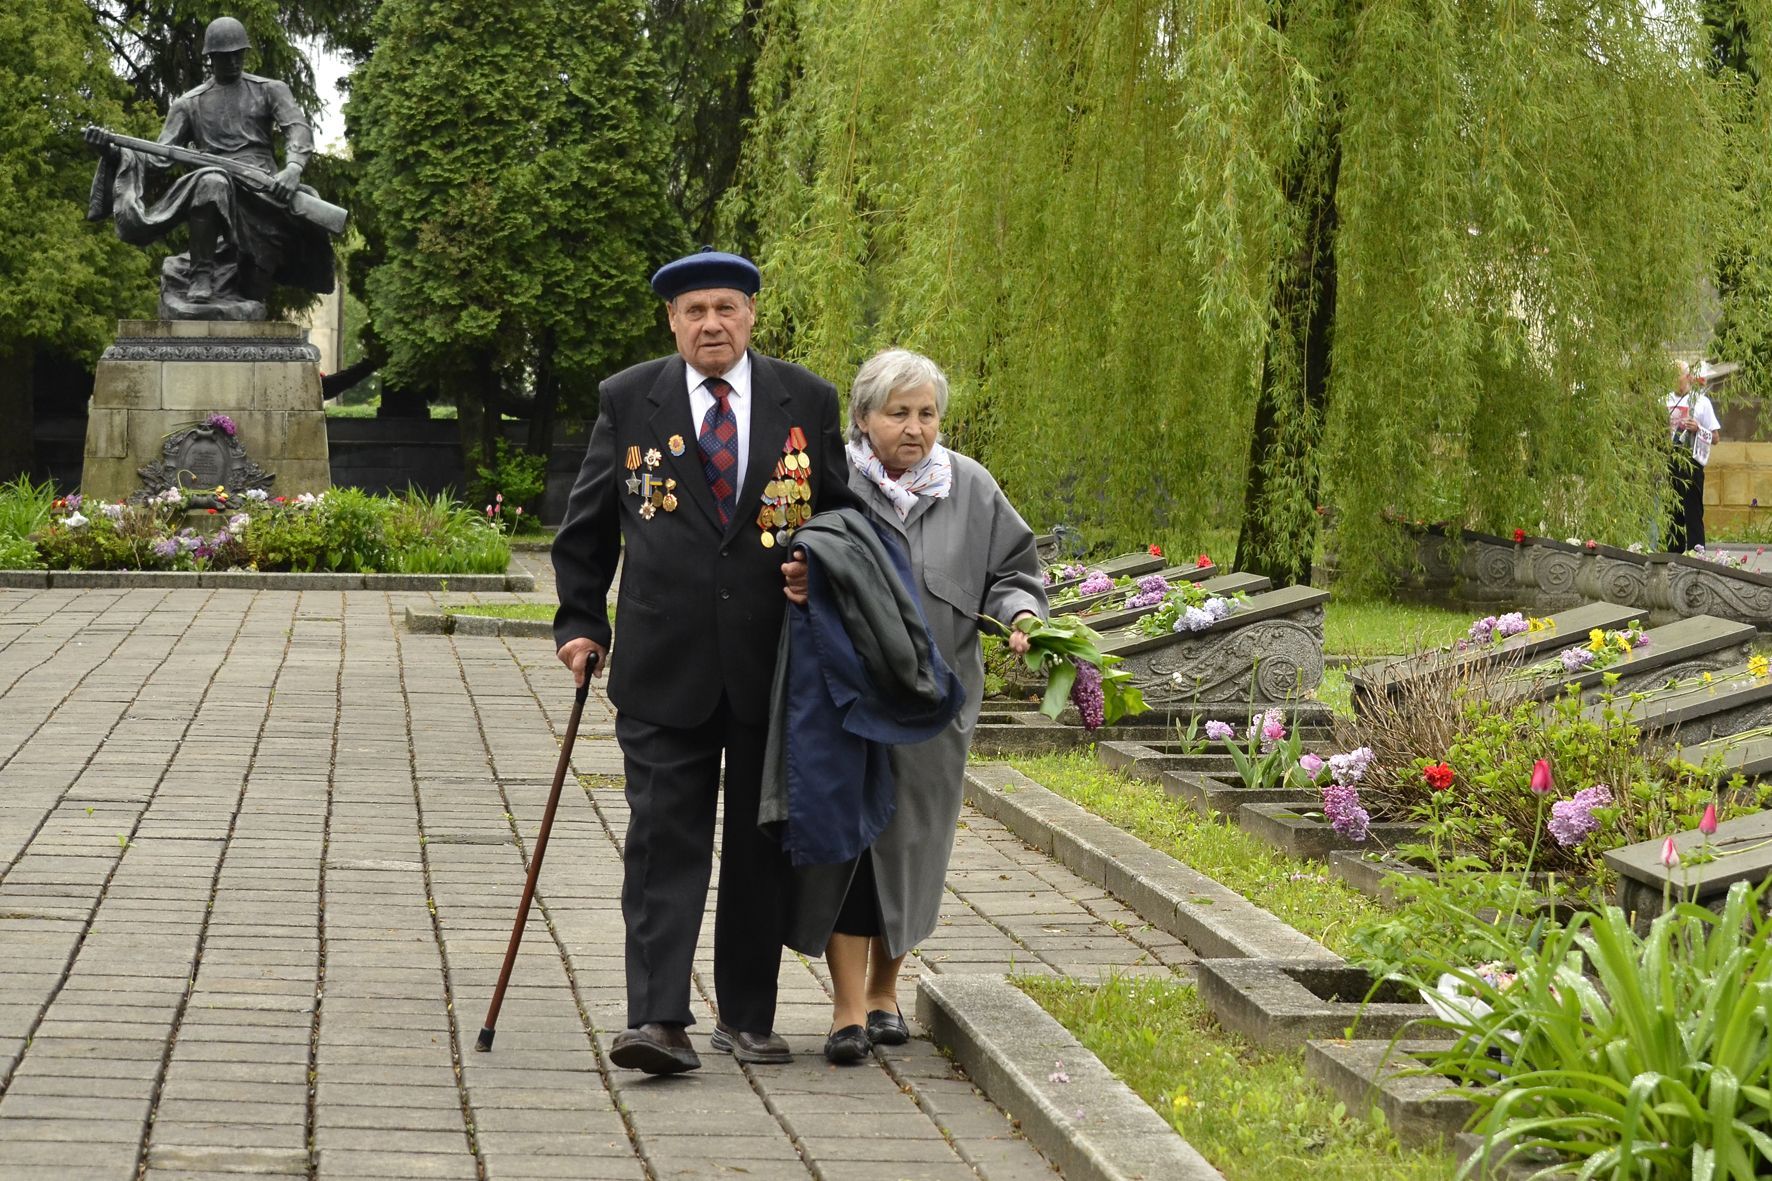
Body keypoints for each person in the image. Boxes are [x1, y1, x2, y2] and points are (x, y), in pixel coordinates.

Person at [552, 248, 856, 1075]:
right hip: (663, 661)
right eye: (694, 312)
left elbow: (847, 521)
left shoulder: (808, 400)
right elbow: (587, 528)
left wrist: (816, 568)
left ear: (752, 313)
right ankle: (657, 1020)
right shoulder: (629, 399)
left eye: (725, 307)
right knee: (662, 841)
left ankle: (749, 1016)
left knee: (760, 845)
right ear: (672, 322)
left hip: (773, 665)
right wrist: (580, 621)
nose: (711, 324)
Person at [797, 348, 1047, 1064]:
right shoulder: (833, 481)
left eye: (926, 413)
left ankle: (884, 992)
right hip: (844, 695)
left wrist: (1022, 614)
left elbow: (1014, 571)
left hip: (936, 704)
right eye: (897, 413)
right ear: (863, 418)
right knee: (847, 840)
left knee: (912, 845)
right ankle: (846, 1008)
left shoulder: (969, 486)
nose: (914, 428)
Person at [84, 16, 335, 315]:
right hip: (216, 181)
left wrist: (293, 168)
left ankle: (240, 272)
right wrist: (111, 151)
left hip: (263, 192)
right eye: (224, 56)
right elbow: (157, 157)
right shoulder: (188, 104)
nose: (232, 62)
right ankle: (201, 274)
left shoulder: (270, 89)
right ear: (210, 58)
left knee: (253, 288)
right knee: (211, 181)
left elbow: (298, 130)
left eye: (237, 55)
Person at [1667, 360, 1722, 552]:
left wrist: (1698, 428)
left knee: (1693, 511)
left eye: (1677, 375)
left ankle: (1697, 556)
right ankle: (1673, 556)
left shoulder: (1701, 402)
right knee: (1672, 513)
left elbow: (1715, 437)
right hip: (1669, 461)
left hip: (1692, 462)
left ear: (1688, 377)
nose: (1673, 379)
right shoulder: (1663, 400)